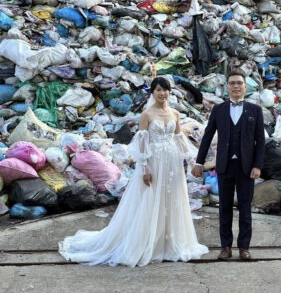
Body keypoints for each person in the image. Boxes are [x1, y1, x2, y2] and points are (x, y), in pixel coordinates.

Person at [59, 77, 208, 267]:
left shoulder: (175, 114)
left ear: (170, 92)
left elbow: (179, 138)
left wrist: (191, 159)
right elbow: (142, 143)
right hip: (153, 161)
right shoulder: (147, 114)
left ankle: (169, 241)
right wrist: (144, 168)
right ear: (153, 93)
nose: (163, 94)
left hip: (172, 162)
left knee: (171, 199)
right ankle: (149, 242)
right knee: (150, 199)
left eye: (166, 90)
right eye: (159, 90)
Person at [192, 70, 265, 260]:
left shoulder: (255, 110)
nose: (236, 86)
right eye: (232, 83)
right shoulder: (219, 109)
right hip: (224, 166)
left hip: (246, 167)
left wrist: (257, 165)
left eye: (239, 83)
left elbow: (260, 141)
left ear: (245, 86)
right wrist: (199, 162)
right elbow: (207, 136)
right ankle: (225, 247)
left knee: (245, 208)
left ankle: (244, 248)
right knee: (224, 208)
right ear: (227, 87)